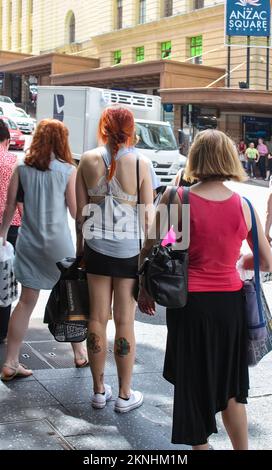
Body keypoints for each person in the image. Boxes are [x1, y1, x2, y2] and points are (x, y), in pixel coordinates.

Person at [138, 129, 272, 450]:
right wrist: (242, 257)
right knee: (232, 389)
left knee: (192, 383)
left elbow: (153, 247)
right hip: (230, 308)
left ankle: (202, 447)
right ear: (229, 158)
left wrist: (144, 290)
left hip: (189, 305)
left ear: (195, 158)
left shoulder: (178, 198)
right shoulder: (243, 206)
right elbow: (267, 262)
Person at [76, 106, 153, 412]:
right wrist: (155, 252)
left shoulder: (86, 159)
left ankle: (97, 391)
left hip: (95, 250)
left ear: (103, 127)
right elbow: (149, 219)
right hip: (128, 254)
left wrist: (81, 251)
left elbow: (81, 216)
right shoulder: (141, 163)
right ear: (131, 129)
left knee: (96, 318)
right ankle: (124, 394)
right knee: (124, 320)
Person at [0, 119, 88, 381]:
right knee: (70, 300)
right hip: (59, 245)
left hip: (29, 243)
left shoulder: (22, 168)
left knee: (26, 302)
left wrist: (3, 236)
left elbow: (9, 208)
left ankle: (10, 362)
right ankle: (79, 353)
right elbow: (74, 213)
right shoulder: (67, 170)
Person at [0, 119, 21, 343]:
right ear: (6, 140)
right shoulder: (13, 161)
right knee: (4, 279)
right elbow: (19, 202)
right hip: (10, 228)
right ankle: (2, 331)